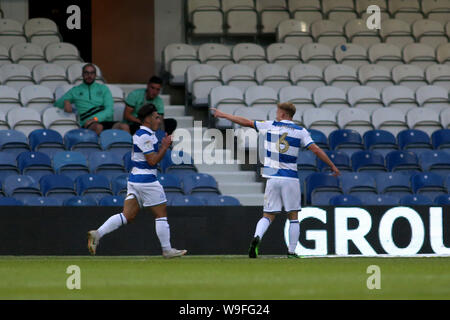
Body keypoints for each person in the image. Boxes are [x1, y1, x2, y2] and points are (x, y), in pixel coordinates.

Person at [212, 103, 340, 259]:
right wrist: (332, 165)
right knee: (293, 216)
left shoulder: (270, 125)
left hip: (272, 177)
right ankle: (291, 252)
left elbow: (245, 122)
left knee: (267, 215)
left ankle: (256, 238)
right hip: (290, 177)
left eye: (278, 112)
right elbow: (316, 150)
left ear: (284, 115)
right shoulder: (301, 131)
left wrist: (224, 115)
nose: (276, 115)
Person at [87, 103, 187, 259]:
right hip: (147, 180)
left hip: (135, 179)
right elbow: (152, 161)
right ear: (147, 119)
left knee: (127, 215)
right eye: (155, 117)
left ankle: (98, 233)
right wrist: (165, 147)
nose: (159, 120)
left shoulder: (147, 134)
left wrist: (161, 145)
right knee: (161, 215)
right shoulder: (145, 136)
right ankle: (167, 250)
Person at [54, 63, 130, 135]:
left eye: (92, 73)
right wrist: (66, 101)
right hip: (89, 123)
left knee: (124, 126)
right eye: (86, 73)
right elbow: (56, 104)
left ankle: (130, 148)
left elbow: (109, 109)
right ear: (82, 74)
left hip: (105, 121)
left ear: (95, 75)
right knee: (98, 127)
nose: (89, 76)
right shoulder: (75, 90)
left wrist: (95, 118)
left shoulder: (103, 88)